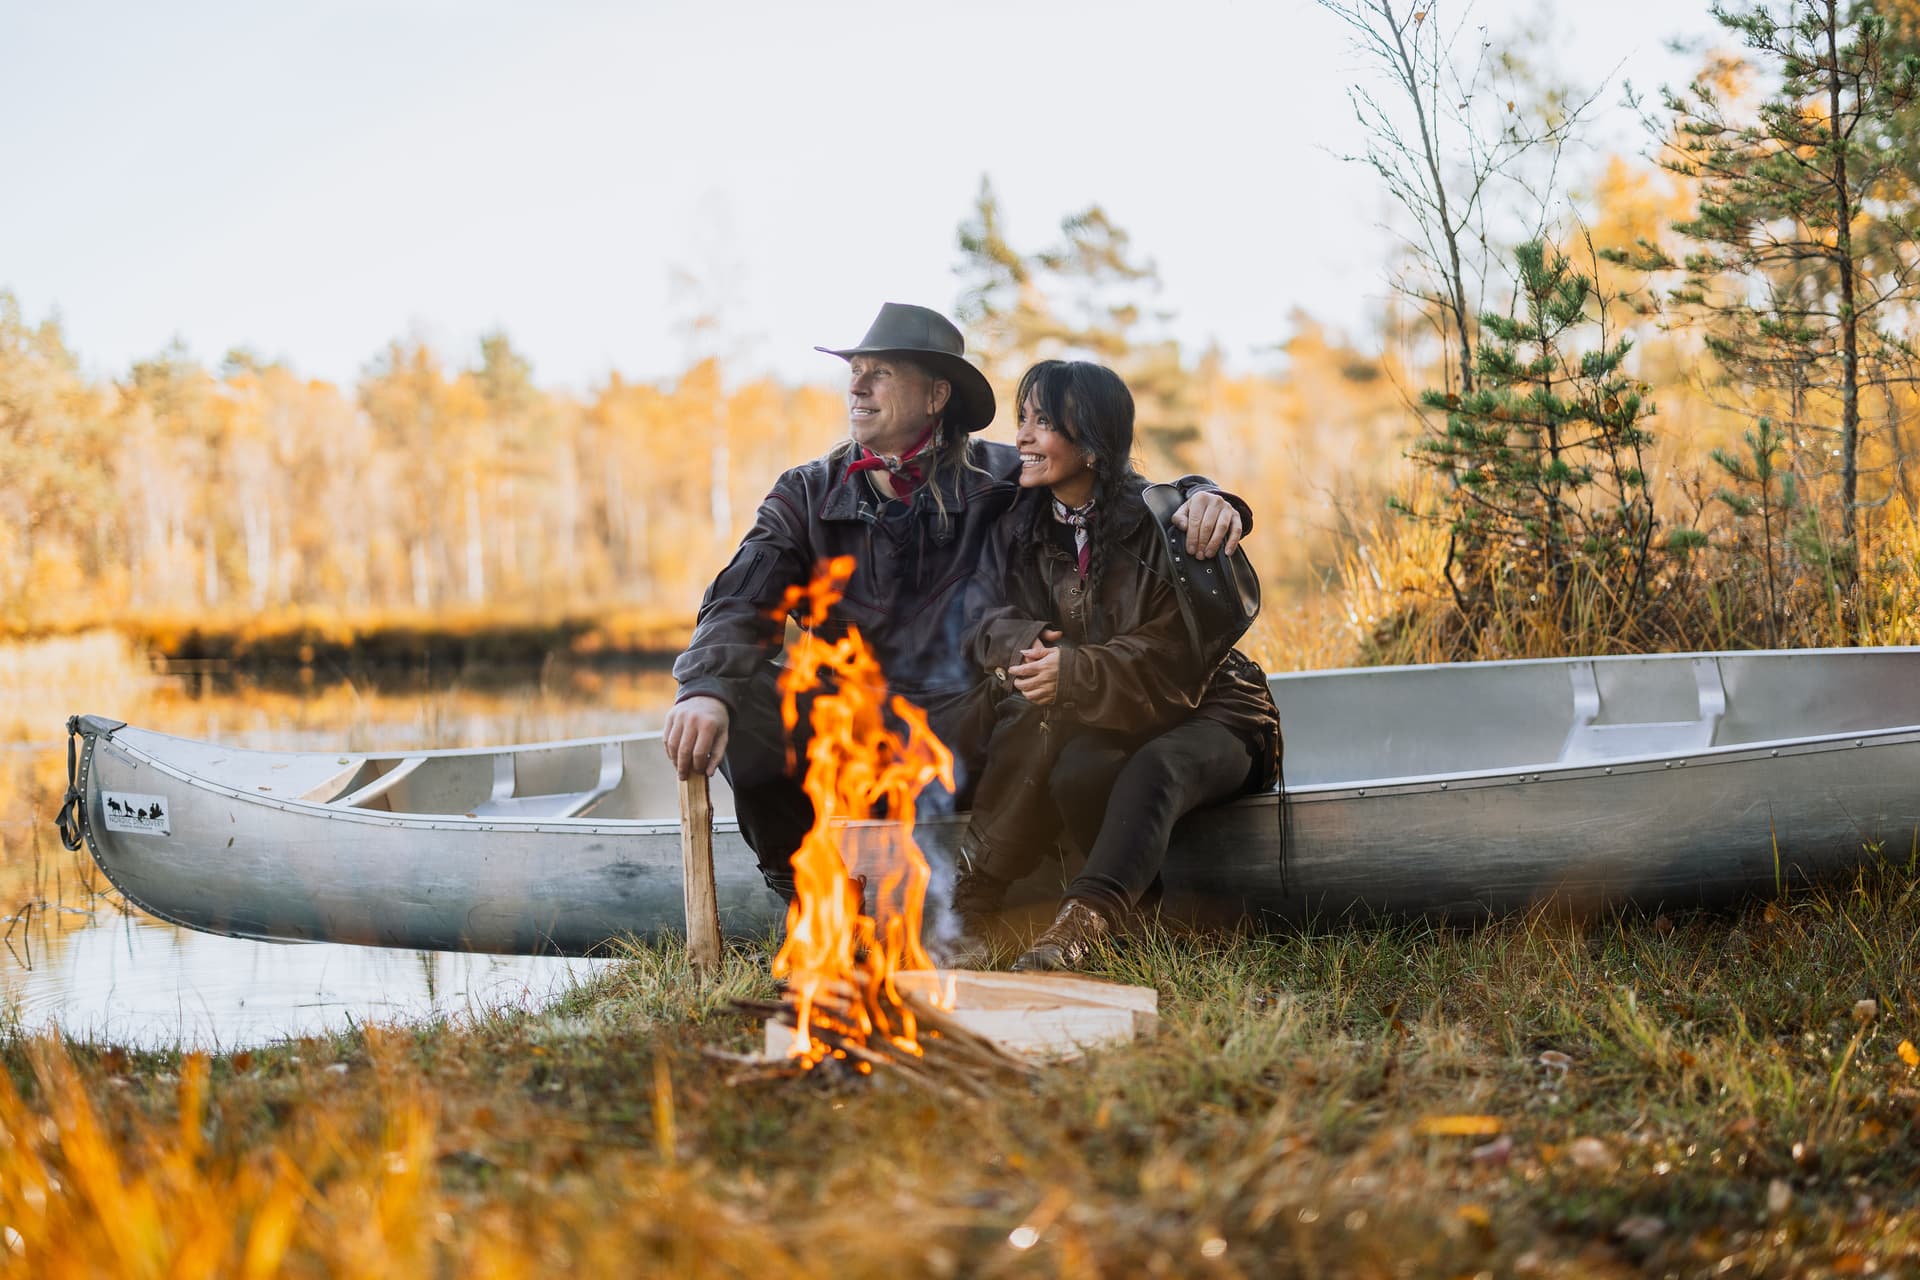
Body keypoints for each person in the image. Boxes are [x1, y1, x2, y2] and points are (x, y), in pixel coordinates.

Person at [663, 303, 1252, 905]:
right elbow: (740, 597)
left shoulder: (1005, 478)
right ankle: (815, 899)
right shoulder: (806, 492)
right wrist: (705, 688)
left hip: (969, 739)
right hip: (848, 738)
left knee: (1043, 690)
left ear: (937, 395)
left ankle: (985, 885)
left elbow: (1110, 485)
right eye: (855, 371)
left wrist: (1201, 496)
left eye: (880, 372)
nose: (857, 387)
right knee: (739, 691)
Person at [953, 359, 1281, 971]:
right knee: (1074, 767)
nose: (1021, 436)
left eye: (1043, 421)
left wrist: (1074, 671)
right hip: (1110, 713)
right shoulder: (1019, 523)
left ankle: (1081, 924)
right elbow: (977, 615)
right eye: (1022, 418)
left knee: (1158, 764)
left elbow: (1177, 660)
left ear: (1093, 442)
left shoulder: (1167, 521)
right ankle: (1108, 919)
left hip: (1216, 710)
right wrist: (1028, 644)